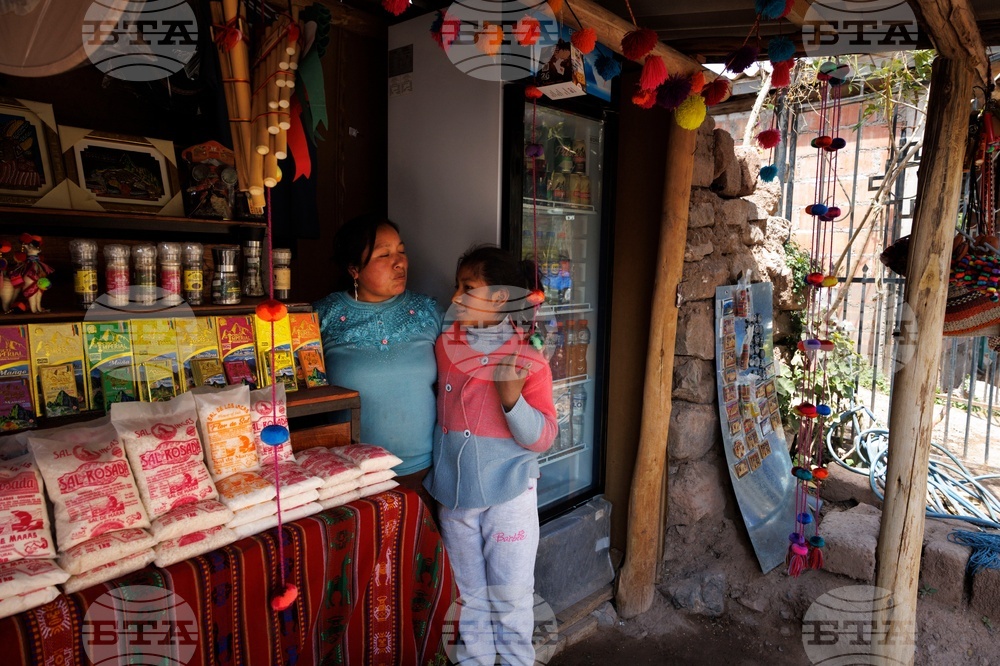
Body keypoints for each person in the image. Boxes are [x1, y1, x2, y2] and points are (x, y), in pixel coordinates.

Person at [424, 246, 557, 666]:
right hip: (454, 494)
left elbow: (546, 436)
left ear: (499, 297)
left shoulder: (526, 357)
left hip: (509, 495)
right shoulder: (446, 345)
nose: (456, 297)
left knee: (512, 596)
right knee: (468, 599)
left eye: (468, 288)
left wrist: (512, 400)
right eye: (456, 287)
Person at [313, 215, 441, 499]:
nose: (400, 263)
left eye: (402, 251)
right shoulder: (322, 316)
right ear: (354, 269)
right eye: (384, 254)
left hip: (423, 471)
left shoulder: (427, 311)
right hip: (349, 476)